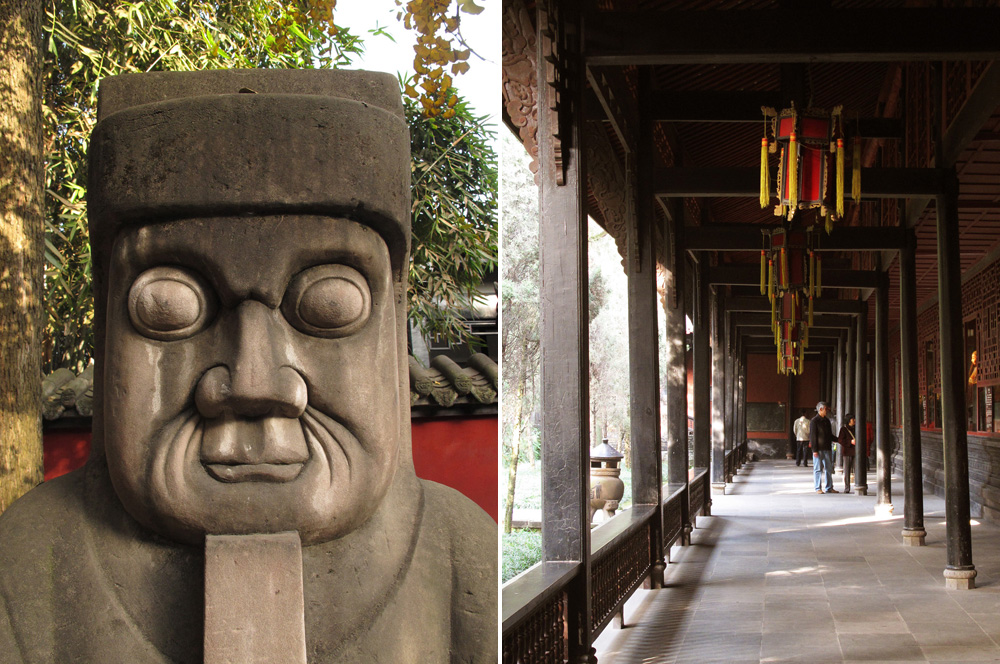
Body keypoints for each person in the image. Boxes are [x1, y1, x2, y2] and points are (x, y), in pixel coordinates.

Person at [0, 70, 496, 662]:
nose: (256, 382)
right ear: (108, 332)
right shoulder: (28, 558)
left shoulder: (458, 551)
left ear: (393, 329)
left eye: (330, 305)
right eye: (168, 306)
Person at [810, 401, 838, 494]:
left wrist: (839, 440)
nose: (827, 411)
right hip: (818, 449)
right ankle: (818, 488)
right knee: (818, 469)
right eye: (826, 409)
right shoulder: (814, 421)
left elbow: (830, 435)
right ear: (821, 409)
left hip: (827, 448)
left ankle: (829, 487)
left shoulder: (827, 421)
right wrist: (814, 450)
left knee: (829, 469)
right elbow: (813, 436)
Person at [838, 413, 857, 493]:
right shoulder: (844, 429)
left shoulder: (857, 428)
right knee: (847, 470)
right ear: (849, 420)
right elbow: (840, 440)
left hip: (856, 452)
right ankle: (847, 487)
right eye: (853, 419)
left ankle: (858, 485)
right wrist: (850, 442)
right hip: (847, 451)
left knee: (857, 470)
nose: (854, 420)